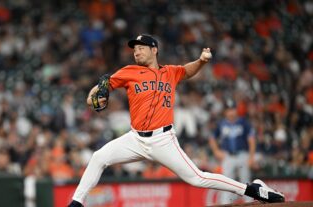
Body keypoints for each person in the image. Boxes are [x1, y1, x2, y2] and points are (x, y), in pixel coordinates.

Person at [67, 34, 285, 207]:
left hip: (163, 139)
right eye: (134, 49)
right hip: (134, 139)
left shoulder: (170, 72)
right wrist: (92, 97)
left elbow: (186, 71)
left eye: (141, 47)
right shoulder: (128, 72)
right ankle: (77, 203)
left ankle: (252, 189)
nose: (136, 51)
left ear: (154, 50)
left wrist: (201, 61)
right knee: (98, 157)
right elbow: (102, 86)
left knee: (197, 178)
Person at [209, 99, 256, 204]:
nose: (231, 112)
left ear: (236, 110)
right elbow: (212, 138)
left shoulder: (243, 122)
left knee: (246, 182)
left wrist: (251, 157)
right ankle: (225, 204)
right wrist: (216, 151)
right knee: (226, 183)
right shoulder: (221, 123)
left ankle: (249, 203)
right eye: (229, 109)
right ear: (225, 111)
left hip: (243, 155)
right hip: (228, 157)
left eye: (233, 109)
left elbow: (251, 139)